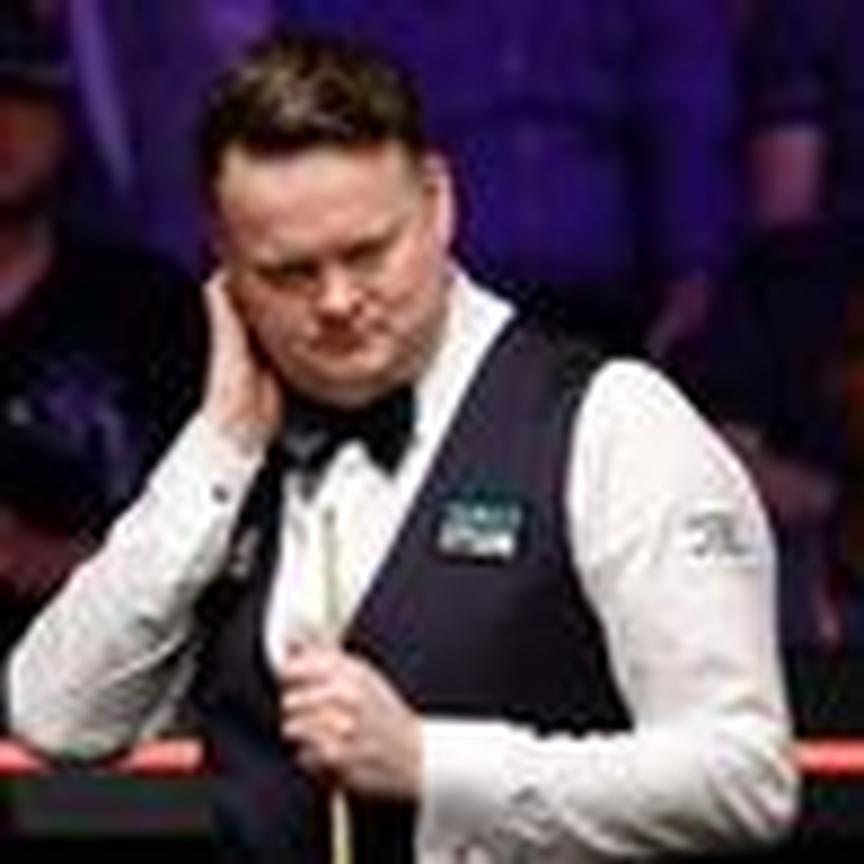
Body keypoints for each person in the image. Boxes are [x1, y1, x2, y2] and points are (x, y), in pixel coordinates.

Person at [5, 29, 798, 862]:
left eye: (367, 253)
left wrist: (430, 762)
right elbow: (57, 719)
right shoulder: (224, 467)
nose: (337, 300)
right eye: (288, 272)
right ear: (225, 264)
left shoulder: (614, 422)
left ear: (438, 201)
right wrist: (217, 449)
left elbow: (745, 780)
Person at [0, 10, 205, 658]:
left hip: (116, 678)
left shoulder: (150, 309)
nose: (3, 126)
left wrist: (77, 564)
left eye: (24, 97)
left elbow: (216, 538)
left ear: (66, 117)